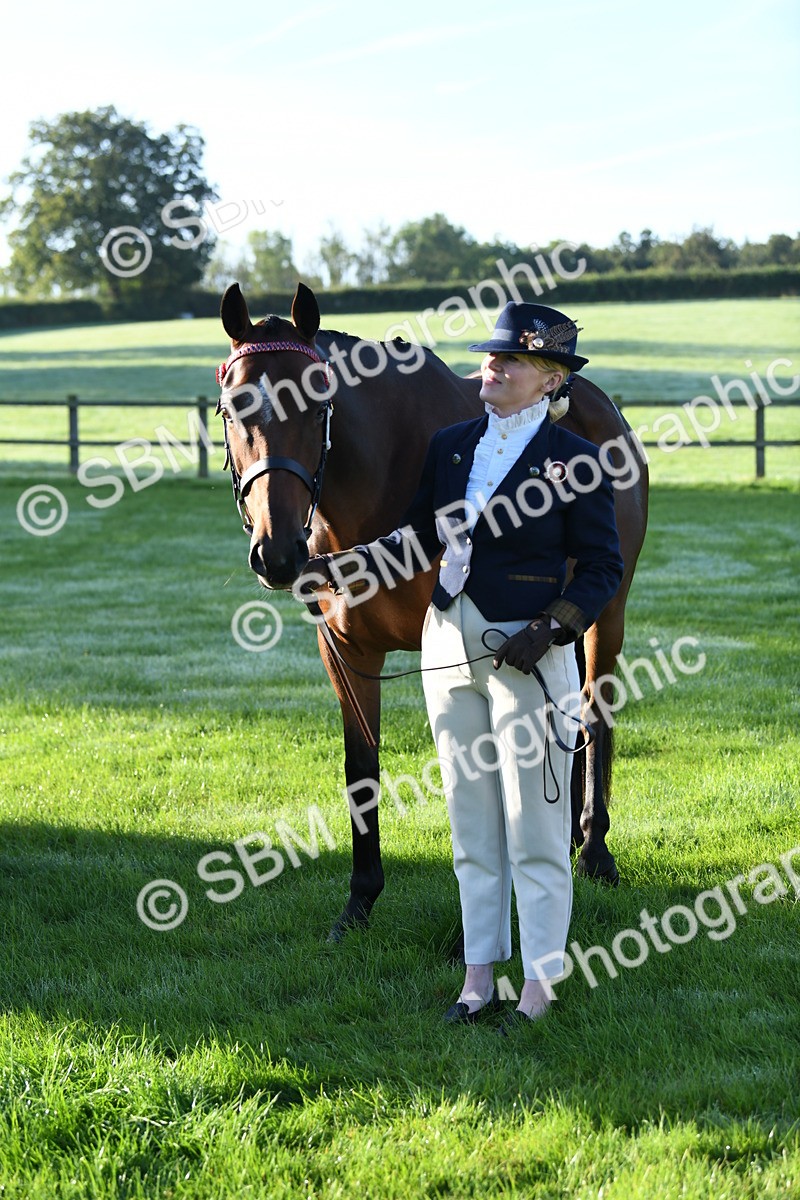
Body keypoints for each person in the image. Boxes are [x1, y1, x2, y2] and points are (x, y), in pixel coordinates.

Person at [303, 302, 624, 1029]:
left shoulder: (575, 461)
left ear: (550, 380)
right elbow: (419, 536)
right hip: (448, 646)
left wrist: (552, 627)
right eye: (491, 356)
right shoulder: (451, 446)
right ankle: (478, 979)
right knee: (471, 825)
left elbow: (602, 566)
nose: (493, 367)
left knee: (536, 830)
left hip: (530, 657)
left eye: (512, 360)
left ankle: (538, 987)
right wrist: (339, 568)